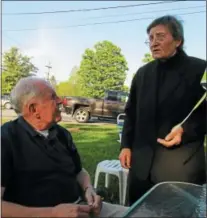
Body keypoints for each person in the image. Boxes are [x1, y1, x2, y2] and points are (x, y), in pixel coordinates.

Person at [1, 77, 128, 217]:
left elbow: (79, 171)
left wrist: (88, 189)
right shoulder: (6, 139)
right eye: (53, 97)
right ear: (33, 108)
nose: (60, 101)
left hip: (81, 207)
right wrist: (53, 213)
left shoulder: (61, 133)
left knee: (141, 213)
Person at [119, 15, 206, 205]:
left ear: (178, 40)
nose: (153, 43)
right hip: (140, 169)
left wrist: (186, 130)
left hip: (181, 170)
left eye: (160, 36)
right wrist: (125, 144)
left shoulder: (200, 69)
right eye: (150, 38)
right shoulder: (142, 74)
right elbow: (131, 112)